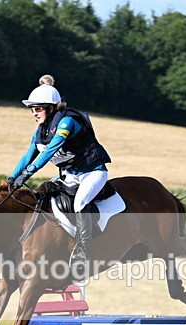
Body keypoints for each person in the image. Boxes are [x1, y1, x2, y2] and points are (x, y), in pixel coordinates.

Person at [7, 75, 112, 279]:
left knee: (80, 202)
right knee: (43, 194)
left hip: (93, 172)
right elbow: (27, 156)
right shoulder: (39, 132)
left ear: (51, 108)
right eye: (32, 109)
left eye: (38, 108)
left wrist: (28, 173)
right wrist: (11, 178)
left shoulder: (67, 122)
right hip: (69, 176)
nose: (34, 113)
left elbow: (49, 151)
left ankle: (83, 251)